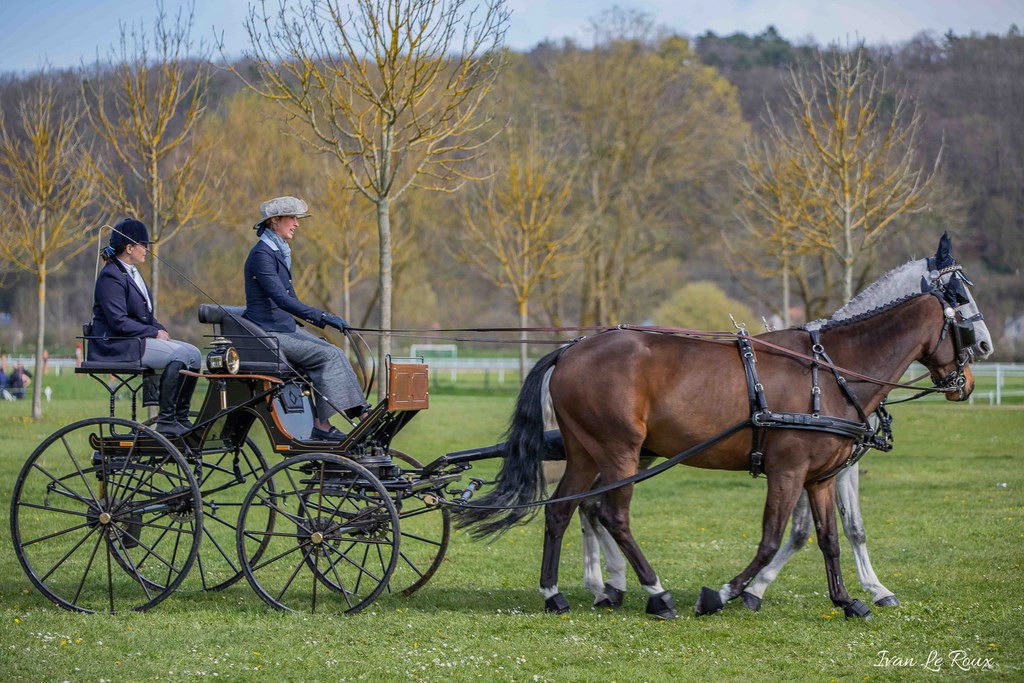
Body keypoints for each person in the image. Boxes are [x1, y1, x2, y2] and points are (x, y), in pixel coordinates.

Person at [244, 196, 369, 441]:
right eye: (292, 218)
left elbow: (291, 300)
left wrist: (324, 319)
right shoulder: (262, 255)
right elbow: (282, 299)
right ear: (274, 221)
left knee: (333, 351)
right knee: (329, 355)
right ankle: (322, 426)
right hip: (270, 333)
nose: (297, 224)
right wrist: (324, 317)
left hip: (284, 327)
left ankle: (361, 413)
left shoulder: (277, 252)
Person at [90, 217, 202, 436]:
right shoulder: (111, 277)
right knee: (178, 355)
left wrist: (160, 329)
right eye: (144, 245)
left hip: (136, 339)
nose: (147, 250)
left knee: (195, 354)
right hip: (118, 344)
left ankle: (180, 416)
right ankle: (167, 420)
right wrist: (153, 332)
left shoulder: (132, 273)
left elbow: (145, 316)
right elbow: (119, 322)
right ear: (129, 248)